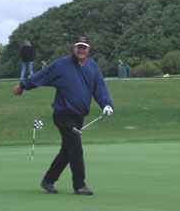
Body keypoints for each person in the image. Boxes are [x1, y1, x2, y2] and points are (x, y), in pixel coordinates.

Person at [12, 36, 113, 195]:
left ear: (88, 49)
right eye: (78, 47)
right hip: (63, 115)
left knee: (67, 151)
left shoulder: (92, 66)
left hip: (79, 116)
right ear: (74, 48)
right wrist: (22, 85)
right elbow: (42, 75)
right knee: (76, 148)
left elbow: (100, 88)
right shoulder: (62, 64)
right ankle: (79, 185)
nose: (81, 50)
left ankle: (48, 181)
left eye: (84, 47)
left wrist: (107, 104)